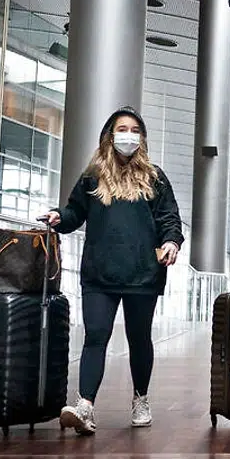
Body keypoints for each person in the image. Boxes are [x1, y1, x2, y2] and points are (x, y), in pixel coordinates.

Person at [41, 106, 183, 435]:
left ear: (142, 138)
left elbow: (169, 219)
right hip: (99, 274)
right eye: (123, 129)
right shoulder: (93, 176)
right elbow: (75, 212)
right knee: (95, 337)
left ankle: (141, 398)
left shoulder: (155, 177)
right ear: (110, 134)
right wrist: (58, 217)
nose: (128, 135)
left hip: (143, 273)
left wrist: (172, 243)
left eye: (135, 130)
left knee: (139, 339)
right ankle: (85, 406)